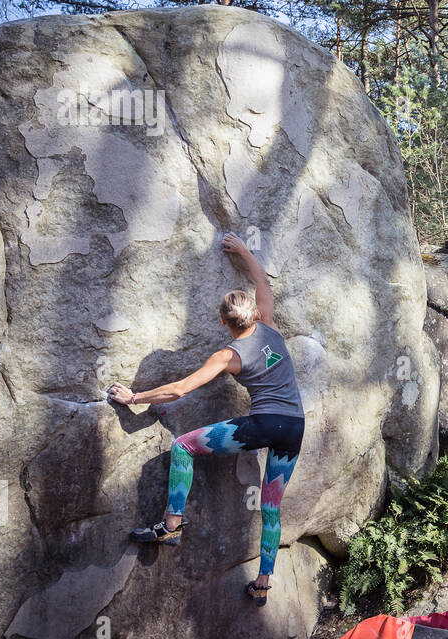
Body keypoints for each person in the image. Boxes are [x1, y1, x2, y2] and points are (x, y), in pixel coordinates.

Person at [108, 233, 304, 606]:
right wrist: (244, 251)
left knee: (184, 445)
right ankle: (263, 584)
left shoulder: (229, 354)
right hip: (294, 427)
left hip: (264, 425)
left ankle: (171, 526)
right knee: (271, 508)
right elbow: (262, 282)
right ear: (255, 313)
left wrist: (134, 397)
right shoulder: (271, 327)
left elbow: (181, 389)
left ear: (222, 321)